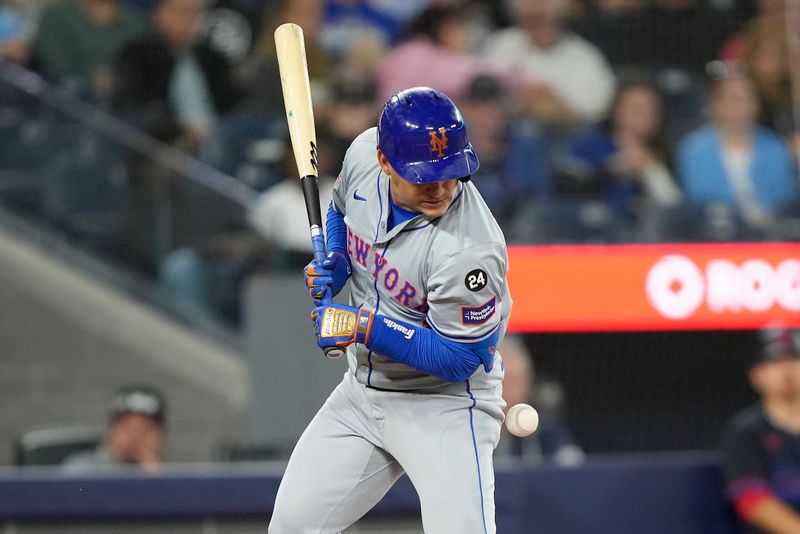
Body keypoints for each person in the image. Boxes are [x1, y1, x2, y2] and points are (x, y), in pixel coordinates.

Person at [269, 87, 512, 533]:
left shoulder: (470, 249)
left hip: (445, 407)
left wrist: (364, 326)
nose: (441, 188)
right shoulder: (364, 154)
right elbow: (341, 209)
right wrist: (338, 259)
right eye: (425, 176)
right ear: (386, 163)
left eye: (451, 173)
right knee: (290, 527)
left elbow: (460, 359)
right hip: (364, 393)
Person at [676, 69, 797, 237]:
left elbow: (786, 194)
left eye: (750, 99)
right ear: (717, 104)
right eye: (736, 99)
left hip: (772, 234)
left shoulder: (774, 146)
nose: (745, 106)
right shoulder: (694, 149)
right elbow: (698, 196)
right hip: (716, 234)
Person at [110, 0, 240, 147]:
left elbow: (233, 103)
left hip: (218, 143)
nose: (189, 21)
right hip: (162, 146)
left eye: (196, 14)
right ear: (159, 15)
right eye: (182, 12)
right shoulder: (139, 55)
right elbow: (132, 106)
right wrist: (183, 129)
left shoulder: (214, 60)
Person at [482, 0, 615, 124]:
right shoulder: (500, 45)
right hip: (507, 129)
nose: (539, 26)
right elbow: (480, 92)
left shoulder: (584, 55)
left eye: (543, 16)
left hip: (566, 135)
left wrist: (556, 106)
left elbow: (599, 107)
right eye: (532, 19)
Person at [721, 326, 800, 534]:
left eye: (793, 360)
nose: (787, 370)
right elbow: (752, 501)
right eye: (775, 362)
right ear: (756, 375)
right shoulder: (746, 431)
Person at [495, 335, 584, 465]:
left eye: (515, 380)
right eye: (502, 381)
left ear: (528, 384)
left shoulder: (545, 429)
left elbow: (574, 465)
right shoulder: (471, 428)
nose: (508, 390)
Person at [33, 0, 145, 96]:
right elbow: (57, 64)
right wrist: (91, 79)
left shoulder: (134, 22)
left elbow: (142, 64)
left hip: (124, 99)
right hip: (68, 98)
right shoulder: (56, 15)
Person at [62, 385, 167, 472]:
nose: (136, 437)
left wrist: (158, 479)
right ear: (111, 431)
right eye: (128, 428)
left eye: (146, 429)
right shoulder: (81, 470)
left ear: (160, 436)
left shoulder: (170, 474)